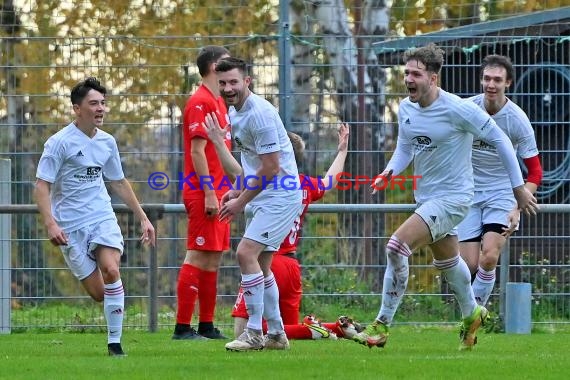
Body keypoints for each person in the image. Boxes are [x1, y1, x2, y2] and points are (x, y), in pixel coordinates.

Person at [352, 44, 538, 351]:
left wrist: (518, 188)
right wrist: (390, 171)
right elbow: (406, 147)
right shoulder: (408, 107)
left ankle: (381, 325)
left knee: (396, 247)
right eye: (406, 73)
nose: (408, 79)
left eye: (416, 74)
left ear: (433, 78)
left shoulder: (459, 109)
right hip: (426, 197)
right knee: (451, 263)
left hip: (454, 198)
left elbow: (500, 140)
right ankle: (472, 312)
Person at [34, 77, 156, 356]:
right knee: (100, 294)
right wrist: (50, 223)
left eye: (103, 103)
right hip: (70, 225)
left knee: (111, 269)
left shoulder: (107, 142)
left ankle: (115, 345)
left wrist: (143, 218)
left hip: (101, 215)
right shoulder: (59, 143)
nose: (100, 108)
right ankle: (114, 319)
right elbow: (42, 186)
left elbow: (118, 181)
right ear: (77, 109)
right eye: (93, 103)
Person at [204, 56, 304, 351]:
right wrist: (237, 191)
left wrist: (239, 202)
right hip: (263, 195)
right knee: (262, 265)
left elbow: (272, 168)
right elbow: (250, 164)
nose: (228, 88)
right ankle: (276, 334)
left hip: (280, 196)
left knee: (245, 253)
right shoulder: (235, 113)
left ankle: (253, 333)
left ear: (247, 81)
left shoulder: (259, 113)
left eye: (233, 82)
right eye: (222, 83)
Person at [228, 124, 361, 340]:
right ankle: (336, 327)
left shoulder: (266, 183)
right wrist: (342, 151)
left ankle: (312, 329)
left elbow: (237, 172)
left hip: (268, 261)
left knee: (243, 331)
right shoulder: (304, 184)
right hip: (291, 267)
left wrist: (217, 142)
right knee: (285, 333)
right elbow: (330, 181)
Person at [458, 55, 542, 309]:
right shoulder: (466, 110)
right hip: (469, 192)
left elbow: (535, 172)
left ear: (508, 84)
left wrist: (517, 205)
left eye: (497, 80)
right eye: (486, 78)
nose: (490, 84)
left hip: (503, 194)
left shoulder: (517, 119)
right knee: (468, 265)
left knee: (489, 256)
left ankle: (471, 319)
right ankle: (472, 312)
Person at [172, 45, 235, 340]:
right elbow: (197, 151)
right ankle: (182, 327)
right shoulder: (200, 101)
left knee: (213, 258)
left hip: (222, 193)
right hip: (204, 192)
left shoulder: (219, 102)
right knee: (196, 256)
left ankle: (206, 326)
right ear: (213, 66)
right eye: (226, 62)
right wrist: (209, 192)